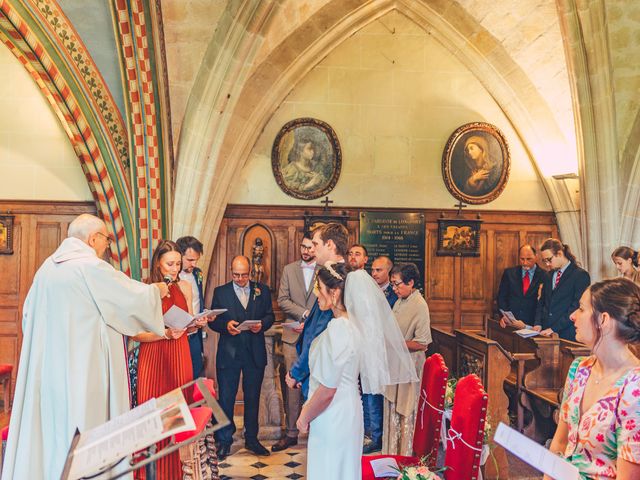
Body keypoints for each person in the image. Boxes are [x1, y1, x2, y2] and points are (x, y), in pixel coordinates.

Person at [1, 214, 166, 480]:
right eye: (106, 240)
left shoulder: (46, 269)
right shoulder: (90, 267)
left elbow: (28, 317)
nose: (107, 247)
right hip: (84, 374)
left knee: (53, 434)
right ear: (93, 239)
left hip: (49, 375)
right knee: (85, 429)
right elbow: (129, 299)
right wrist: (156, 292)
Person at [296, 263, 416, 480]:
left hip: (333, 413)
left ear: (334, 293)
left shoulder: (339, 330)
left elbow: (328, 389)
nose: (316, 294)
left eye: (319, 288)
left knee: (331, 471)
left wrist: (304, 416)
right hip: (347, 408)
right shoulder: (353, 325)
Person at [545, 278, 640, 479]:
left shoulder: (634, 387)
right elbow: (560, 443)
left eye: (581, 309)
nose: (572, 316)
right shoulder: (580, 369)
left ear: (603, 320)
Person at [134, 240, 210, 480]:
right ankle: (149, 474)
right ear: (158, 262)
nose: (175, 269)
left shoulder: (185, 287)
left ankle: (176, 474)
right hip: (153, 357)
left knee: (177, 415)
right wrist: (163, 333)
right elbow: (135, 334)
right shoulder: (145, 288)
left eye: (178, 264)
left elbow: (184, 326)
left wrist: (195, 323)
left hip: (179, 354)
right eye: (170, 263)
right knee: (153, 416)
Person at [209, 256, 275, 459]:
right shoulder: (221, 292)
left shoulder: (261, 290)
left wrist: (261, 325)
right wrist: (225, 326)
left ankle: (252, 439)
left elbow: (270, 315)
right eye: (236, 275)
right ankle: (224, 441)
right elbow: (213, 322)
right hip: (229, 354)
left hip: (254, 353)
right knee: (227, 398)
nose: (240, 279)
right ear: (231, 271)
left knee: (253, 397)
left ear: (249, 272)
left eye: (244, 275)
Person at [286, 222, 349, 398]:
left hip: (324, 370)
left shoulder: (335, 280)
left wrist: (297, 372)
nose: (312, 250)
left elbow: (318, 333)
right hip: (317, 367)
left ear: (329, 245)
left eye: (315, 244)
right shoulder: (334, 273)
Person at [273, 235, 317, 452]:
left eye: (310, 247)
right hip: (292, 336)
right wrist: (303, 314)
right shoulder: (289, 269)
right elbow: (282, 300)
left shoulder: (326, 271)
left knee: (317, 384)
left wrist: (310, 321)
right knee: (291, 385)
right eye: (303, 246)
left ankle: (316, 430)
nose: (305, 251)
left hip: (317, 337)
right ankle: (291, 432)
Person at [383, 263, 432, 456]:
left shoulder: (419, 305)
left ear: (411, 282)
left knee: (405, 413)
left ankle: (404, 457)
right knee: (393, 411)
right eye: (393, 284)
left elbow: (422, 343)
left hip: (410, 367)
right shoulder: (400, 300)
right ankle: (391, 454)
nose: (394, 289)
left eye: (397, 284)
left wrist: (394, 342)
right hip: (396, 365)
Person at [363, 255, 397, 453]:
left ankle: (379, 436)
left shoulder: (394, 295)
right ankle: (370, 434)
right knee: (368, 392)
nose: (374, 273)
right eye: (373, 270)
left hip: (386, 351)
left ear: (389, 273)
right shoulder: (367, 292)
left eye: (378, 270)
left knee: (379, 394)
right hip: (369, 348)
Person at [534, 238, 590, 341]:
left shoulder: (580, 275)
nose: (547, 264)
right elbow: (542, 302)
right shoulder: (548, 275)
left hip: (567, 333)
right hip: (546, 332)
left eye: (549, 260)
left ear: (559, 254)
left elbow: (576, 306)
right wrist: (538, 323)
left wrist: (554, 328)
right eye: (544, 261)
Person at [176, 235, 207, 379]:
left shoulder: (197, 273)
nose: (194, 264)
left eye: (196, 260)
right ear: (179, 255)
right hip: (177, 335)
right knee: (179, 376)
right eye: (190, 260)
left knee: (195, 371)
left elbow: (198, 300)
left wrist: (203, 316)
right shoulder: (171, 276)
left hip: (195, 335)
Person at [498, 245, 547, 328]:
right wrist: (504, 317)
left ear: (536, 257)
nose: (525, 263)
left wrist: (537, 324)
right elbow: (501, 298)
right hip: (511, 324)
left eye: (528, 259)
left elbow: (544, 303)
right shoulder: (509, 273)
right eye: (522, 259)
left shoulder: (545, 276)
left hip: (532, 326)